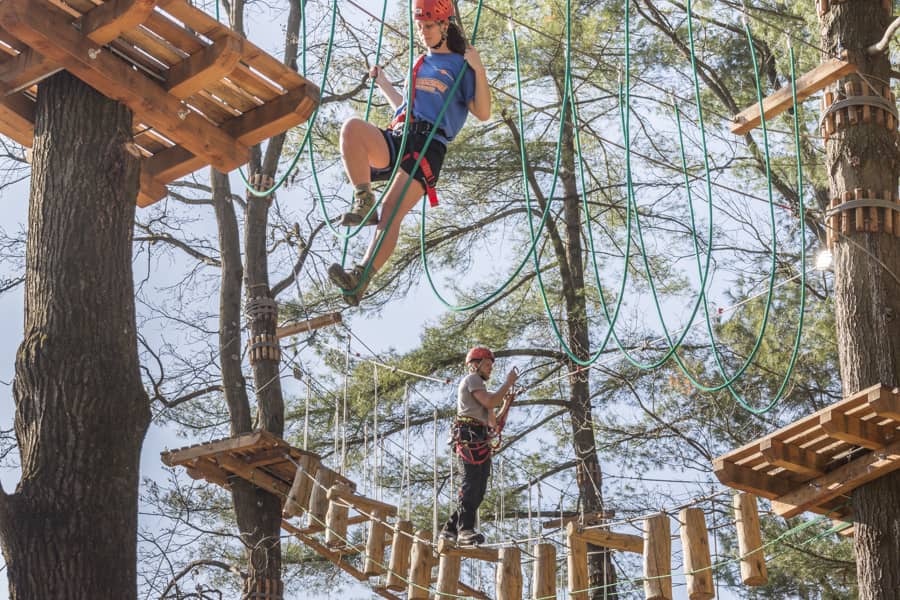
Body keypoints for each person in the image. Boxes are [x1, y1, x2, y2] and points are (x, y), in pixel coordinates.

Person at [328, 0, 491, 306]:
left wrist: (478, 69)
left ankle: (360, 278)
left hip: (429, 145)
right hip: (401, 135)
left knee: (392, 213)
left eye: (429, 26)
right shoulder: (419, 62)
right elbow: (408, 107)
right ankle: (364, 199)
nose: (424, 32)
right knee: (352, 129)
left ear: (444, 26)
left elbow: (483, 112)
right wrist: (384, 83)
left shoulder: (461, 65)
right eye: (420, 27)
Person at [440, 346, 518, 546]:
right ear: (475, 365)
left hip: (479, 438)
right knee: (470, 485)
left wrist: (507, 403)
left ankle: (450, 529)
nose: (490, 368)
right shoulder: (472, 379)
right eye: (487, 364)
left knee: (478, 489)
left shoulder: (481, 389)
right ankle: (465, 529)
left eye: (491, 365)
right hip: (469, 438)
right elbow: (491, 401)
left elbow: (494, 424)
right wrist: (508, 384)